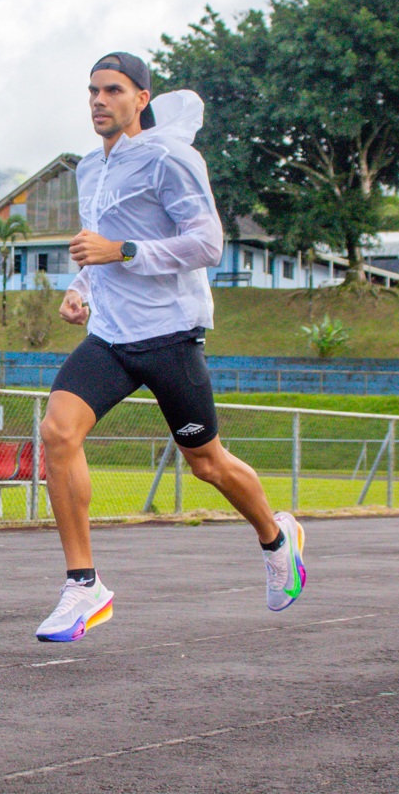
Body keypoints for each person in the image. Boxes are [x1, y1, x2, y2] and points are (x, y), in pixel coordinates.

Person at [35, 51, 306, 643]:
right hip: (110, 336)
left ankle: (275, 534)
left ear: (141, 99)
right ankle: (84, 586)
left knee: (206, 462)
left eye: (112, 91)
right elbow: (96, 246)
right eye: (91, 92)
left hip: (170, 334)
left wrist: (123, 252)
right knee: (58, 432)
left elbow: (208, 244)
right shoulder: (88, 168)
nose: (99, 101)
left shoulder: (171, 157)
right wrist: (82, 288)